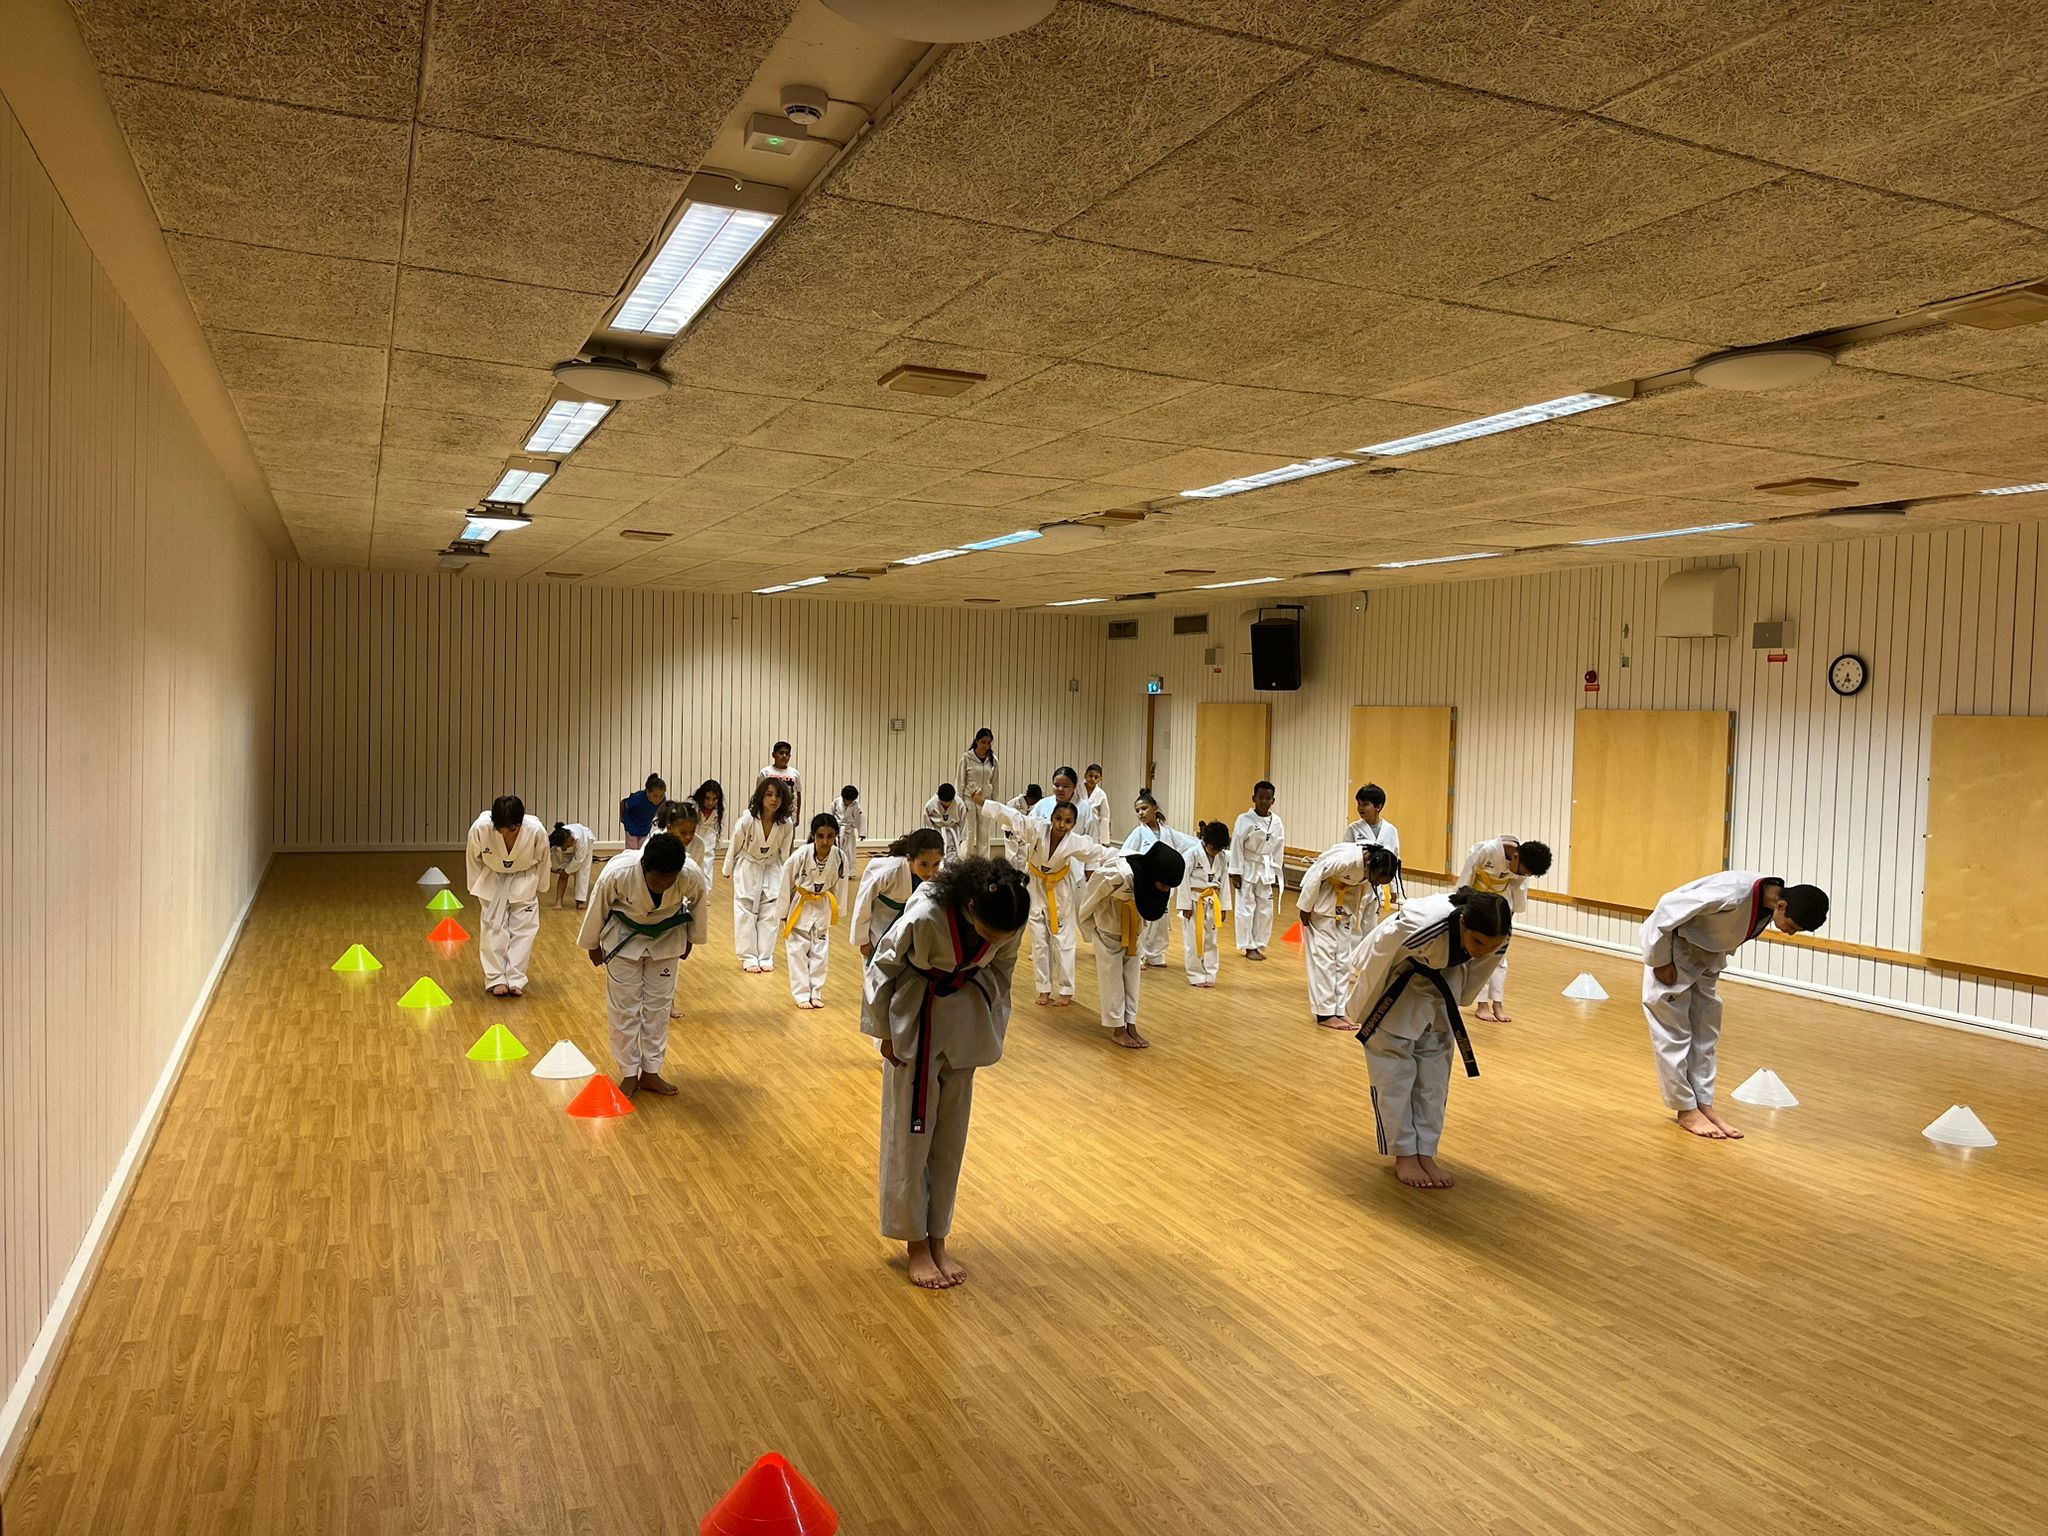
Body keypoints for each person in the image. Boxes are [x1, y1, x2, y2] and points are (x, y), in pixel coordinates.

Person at [863, 856, 1032, 1290]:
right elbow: (883, 964)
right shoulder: (926, 913)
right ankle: (914, 1242)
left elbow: (1002, 972)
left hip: (967, 1019)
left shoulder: (1010, 916)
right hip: (917, 1016)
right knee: (910, 1132)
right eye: (987, 932)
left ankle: (938, 1236)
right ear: (970, 905)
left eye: (1001, 936)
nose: (994, 940)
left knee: (951, 1135)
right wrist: (884, 1030)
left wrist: (992, 1027)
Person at [1345, 887, 1512, 1189]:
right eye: (1477, 942)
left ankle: (1426, 1151)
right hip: (1397, 983)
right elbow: (1379, 954)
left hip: (1443, 989)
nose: (1482, 950)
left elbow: (1474, 980)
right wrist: (1363, 1007)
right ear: (1462, 923)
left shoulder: (1499, 936)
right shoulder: (1421, 923)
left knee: (1434, 1080)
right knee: (1394, 1076)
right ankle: (1404, 1153)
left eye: (1491, 946)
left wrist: (1458, 999)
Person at [1641, 872, 1829, 1141]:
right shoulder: (1733, 893)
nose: (1790, 933)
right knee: (1674, 1034)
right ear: (1782, 906)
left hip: (1706, 960)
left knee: (1706, 1035)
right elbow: (1666, 908)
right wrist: (1660, 960)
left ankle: (1702, 1103)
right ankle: (1685, 1109)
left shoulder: (1765, 902)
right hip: (1673, 954)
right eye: (1793, 926)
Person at [577, 832, 707, 1098]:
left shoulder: (689, 874)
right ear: (644, 867)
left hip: (668, 938)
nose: (662, 887)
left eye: (668, 882)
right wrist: (592, 945)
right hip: (624, 937)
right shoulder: (619, 873)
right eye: (657, 882)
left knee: (658, 1006)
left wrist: (691, 939)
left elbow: (698, 904)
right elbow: (598, 907)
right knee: (624, 1007)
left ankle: (650, 1072)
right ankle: (628, 1072)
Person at [975, 792, 1106, 1007]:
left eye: (1068, 821)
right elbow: (1012, 817)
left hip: (1061, 888)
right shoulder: (1036, 828)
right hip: (1036, 885)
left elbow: (1099, 852)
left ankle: (1066, 989)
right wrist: (984, 803)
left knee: (1064, 939)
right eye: (1058, 819)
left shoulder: (1076, 842)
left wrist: (1131, 859)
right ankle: (1043, 988)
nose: (1062, 825)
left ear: (1074, 823)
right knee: (1039, 940)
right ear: (1052, 818)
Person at [1078, 840, 1185, 1049]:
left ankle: (1131, 1024)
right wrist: (1089, 928)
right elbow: (1090, 897)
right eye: (1164, 885)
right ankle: (1117, 1029)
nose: (1165, 890)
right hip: (1108, 927)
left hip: (1134, 928)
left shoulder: (1155, 877)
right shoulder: (1118, 874)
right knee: (1111, 979)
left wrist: (1141, 929)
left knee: (1132, 977)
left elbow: (1150, 905)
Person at [1298, 842, 1401, 1027]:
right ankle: (1324, 1013)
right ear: (1369, 864)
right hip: (1321, 906)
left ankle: (1340, 1010)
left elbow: (1364, 892)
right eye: (1376, 879)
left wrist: (1355, 919)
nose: (1376, 883)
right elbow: (1315, 873)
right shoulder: (1346, 860)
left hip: (1345, 909)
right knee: (1324, 958)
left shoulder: (1372, 869)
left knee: (1344, 961)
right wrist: (1305, 907)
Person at [1457, 834, 1553, 1022]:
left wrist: (1512, 912)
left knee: (1500, 956)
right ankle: (1482, 1004)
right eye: (1524, 871)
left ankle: (1497, 1003)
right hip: (1479, 901)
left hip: (1502, 903)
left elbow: (1519, 888)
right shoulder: (1486, 850)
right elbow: (1466, 877)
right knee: (1479, 956)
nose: (1523, 875)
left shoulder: (1523, 863)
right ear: (1516, 857)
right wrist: (1461, 905)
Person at [465, 795, 549, 997]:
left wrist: (542, 886)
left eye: (511, 830)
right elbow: (473, 858)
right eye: (500, 830)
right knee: (493, 928)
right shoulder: (480, 828)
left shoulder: (535, 830)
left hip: (524, 879)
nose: (505, 834)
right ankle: (495, 978)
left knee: (524, 930)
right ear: (493, 823)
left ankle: (516, 978)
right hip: (492, 879)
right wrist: (477, 885)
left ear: (520, 823)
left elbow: (544, 860)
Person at [779, 813, 855, 1009]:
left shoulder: (839, 856)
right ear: (813, 835)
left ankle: (816, 992)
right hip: (801, 904)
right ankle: (801, 994)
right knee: (797, 951)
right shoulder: (801, 855)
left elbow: (841, 885)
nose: (825, 841)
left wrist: (839, 909)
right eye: (821, 836)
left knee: (820, 952)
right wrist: (783, 912)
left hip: (822, 905)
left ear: (835, 836)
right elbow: (786, 881)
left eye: (830, 836)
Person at [722, 777, 796, 972]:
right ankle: (748, 956)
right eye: (769, 794)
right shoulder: (747, 819)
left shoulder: (786, 824)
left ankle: (765, 956)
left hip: (772, 867)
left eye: (778, 796)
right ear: (761, 797)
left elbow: (786, 853)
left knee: (771, 911)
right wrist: (727, 868)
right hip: (748, 865)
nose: (774, 799)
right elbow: (735, 844)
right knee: (745, 910)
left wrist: (789, 878)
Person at [1121, 790, 1200, 968]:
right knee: (1143, 921)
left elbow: (1189, 844)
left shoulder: (1169, 833)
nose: (1140, 813)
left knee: (1161, 921)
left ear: (1155, 808)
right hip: (1144, 883)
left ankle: (1155, 954)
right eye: (1137, 810)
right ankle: (1137, 955)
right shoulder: (1138, 833)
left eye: (1144, 808)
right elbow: (1125, 853)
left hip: (1163, 884)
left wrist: (1204, 843)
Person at [651, 797, 712, 1018]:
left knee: (671, 958)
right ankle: (644, 1002)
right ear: (670, 828)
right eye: (683, 832)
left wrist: (692, 934)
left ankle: (669, 1002)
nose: (688, 837)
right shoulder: (656, 840)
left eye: (691, 832)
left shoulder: (699, 845)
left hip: (678, 903)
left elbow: (697, 880)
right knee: (647, 956)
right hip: (652, 901)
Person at [854, 828, 947, 962]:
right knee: (876, 978)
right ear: (910, 859)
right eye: (924, 864)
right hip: (881, 931)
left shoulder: (942, 874)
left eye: (936, 864)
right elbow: (863, 904)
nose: (930, 871)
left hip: (913, 936)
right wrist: (863, 940)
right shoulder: (887, 871)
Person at [1229, 781, 1286, 961]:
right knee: (1245, 907)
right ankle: (1248, 946)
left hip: (1266, 867)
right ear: (1254, 798)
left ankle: (1260, 942)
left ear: (1273, 800)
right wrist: (1235, 872)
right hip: (1247, 865)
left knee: (1265, 909)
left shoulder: (1276, 821)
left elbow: (1279, 847)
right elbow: (1236, 845)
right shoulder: (1244, 819)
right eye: (1260, 798)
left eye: (1268, 798)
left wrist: (1277, 871)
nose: (1264, 801)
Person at [1179, 821, 1234, 988]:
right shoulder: (1191, 854)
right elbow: (1183, 880)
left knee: (1211, 940)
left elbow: (1224, 882)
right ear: (1205, 842)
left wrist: (1224, 907)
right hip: (1195, 900)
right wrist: (1185, 904)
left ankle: (1210, 973)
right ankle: (1195, 974)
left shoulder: (1222, 857)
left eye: (1220, 849)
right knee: (1193, 939)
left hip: (1212, 900)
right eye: (1213, 849)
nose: (1216, 852)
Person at [957, 728, 1000, 856]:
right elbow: (960, 782)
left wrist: (994, 804)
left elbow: (995, 783)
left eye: (988, 743)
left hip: (985, 801)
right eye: (983, 742)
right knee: (968, 834)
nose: (985, 746)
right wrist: (960, 803)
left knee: (984, 833)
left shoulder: (993, 760)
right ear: (976, 741)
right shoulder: (966, 758)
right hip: (968, 800)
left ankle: (983, 862)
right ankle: (966, 862)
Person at [1031, 765, 1098, 838]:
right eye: (1056, 785)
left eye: (1065, 786)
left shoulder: (1085, 808)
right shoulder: (1043, 804)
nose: (1060, 789)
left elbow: (1092, 838)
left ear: (1074, 786)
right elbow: (1030, 827)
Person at [547, 821, 596, 910]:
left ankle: (580, 901)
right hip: (567, 849)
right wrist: (555, 868)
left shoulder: (580, 839)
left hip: (587, 841)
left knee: (582, 871)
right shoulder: (557, 839)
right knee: (563, 875)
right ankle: (559, 902)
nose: (572, 840)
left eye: (571, 839)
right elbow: (553, 855)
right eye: (569, 842)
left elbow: (579, 859)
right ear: (562, 846)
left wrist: (567, 871)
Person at [1347, 784, 1400, 862]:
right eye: (1359, 804)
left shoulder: (1391, 830)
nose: (1360, 808)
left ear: (1378, 807)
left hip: (1384, 874)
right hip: (1360, 873)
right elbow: (1346, 858)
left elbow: (1395, 859)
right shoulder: (1353, 829)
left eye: (1365, 804)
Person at [619, 773, 666, 851]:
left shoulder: (663, 800)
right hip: (632, 824)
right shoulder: (637, 798)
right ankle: (631, 863)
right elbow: (623, 803)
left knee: (643, 849)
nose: (658, 799)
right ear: (647, 793)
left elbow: (664, 810)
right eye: (655, 796)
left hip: (645, 826)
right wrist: (622, 818)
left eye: (661, 796)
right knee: (632, 850)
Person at [923, 782, 969, 861]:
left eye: (949, 803)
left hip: (953, 831)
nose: (946, 804)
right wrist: (929, 836)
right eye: (943, 803)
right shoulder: (931, 804)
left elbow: (963, 822)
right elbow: (927, 822)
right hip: (937, 830)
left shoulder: (959, 803)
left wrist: (962, 838)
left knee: (953, 857)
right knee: (937, 855)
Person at [1001, 783, 1042, 868]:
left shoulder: (1034, 805)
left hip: (1023, 833)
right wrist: (1007, 830)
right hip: (1011, 833)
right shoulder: (1014, 803)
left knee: (1022, 857)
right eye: (1035, 800)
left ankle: (1021, 877)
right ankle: (1011, 877)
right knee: (1011, 857)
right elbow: (1006, 817)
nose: (1036, 802)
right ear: (1029, 797)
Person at [759, 741, 801, 818]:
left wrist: (797, 815)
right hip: (770, 813)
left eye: (787, 754)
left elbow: (797, 795)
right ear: (773, 755)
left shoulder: (795, 773)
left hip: (789, 814)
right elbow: (759, 794)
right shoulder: (765, 772)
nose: (784, 756)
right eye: (781, 753)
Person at [689, 779, 726, 861]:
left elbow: (719, 828)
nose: (710, 803)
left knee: (707, 872)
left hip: (708, 846)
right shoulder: (691, 806)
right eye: (707, 798)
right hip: (691, 844)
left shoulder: (720, 810)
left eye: (714, 799)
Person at [831, 785, 865, 850]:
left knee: (849, 851)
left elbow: (860, 818)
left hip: (849, 831)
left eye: (851, 801)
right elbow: (832, 814)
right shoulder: (836, 802)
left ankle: (849, 860)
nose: (850, 802)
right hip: (837, 829)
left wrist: (861, 833)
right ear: (843, 798)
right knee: (836, 849)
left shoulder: (855, 805)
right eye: (848, 800)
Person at [1083, 763, 1111, 844]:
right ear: (1085, 775)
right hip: (1078, 825)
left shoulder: (1101, 794)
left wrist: (1104, 840)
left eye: (1096, 777)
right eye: (1090, 775)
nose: (1092, 779)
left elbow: (1104, 817)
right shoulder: (1077, 790)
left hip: (1094, 828)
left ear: (1100, 779)